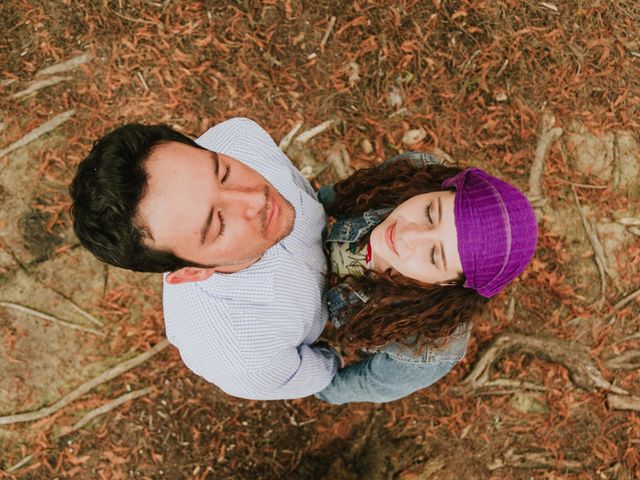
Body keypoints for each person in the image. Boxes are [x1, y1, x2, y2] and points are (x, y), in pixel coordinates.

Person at [70, 118, 341, 400]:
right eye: (218, 225)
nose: (256, 200)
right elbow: (316, 374)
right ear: (191, 272)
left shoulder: (238, 139)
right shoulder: (240, 355)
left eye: (224, 173)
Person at [313, 153, 538, 404]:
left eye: (434, 255)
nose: (407, 236)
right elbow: (336, 196)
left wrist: (306, 373)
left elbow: (358, 385)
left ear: (449, 284)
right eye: (430, 213)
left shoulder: (429, 349)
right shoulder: (411, 173)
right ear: (439, 188)